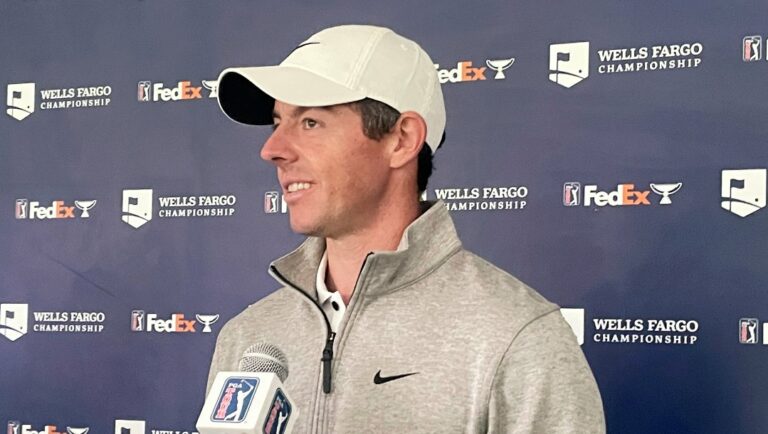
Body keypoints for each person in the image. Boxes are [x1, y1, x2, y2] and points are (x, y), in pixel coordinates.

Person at [207, 24, 605, 433]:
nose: (272, 149)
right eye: (277, 122)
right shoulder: (248, 338)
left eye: (310, 122)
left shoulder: (516, 338)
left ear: (402, 139)